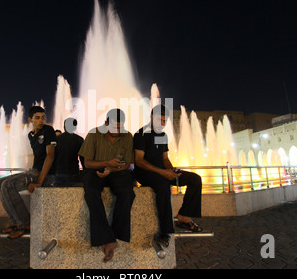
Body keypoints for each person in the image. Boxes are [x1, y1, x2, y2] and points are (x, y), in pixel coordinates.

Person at [133, 105, 204, 247]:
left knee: (195, 179)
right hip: (145, 173)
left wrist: (172, 170)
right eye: (160, 119)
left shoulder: (162, 136)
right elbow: (139, 161)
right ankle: (165, 232)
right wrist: (163, 172)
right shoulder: (141, 134)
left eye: (165, 120)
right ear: (152, 117)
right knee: (163, 186)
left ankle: (184, 216)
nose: (162, 123)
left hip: (162, 172)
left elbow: (164, 158)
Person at [78, 109, 135, 262]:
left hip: (117, 171)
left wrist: (112, 169)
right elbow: (88, 163)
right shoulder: (94, 134)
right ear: (106, 123)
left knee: (127, 192)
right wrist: (105, 164)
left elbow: (127, 164)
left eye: (120, 127)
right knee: (90, 192)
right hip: (95, 170)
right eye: (114, 127)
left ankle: (114, 236)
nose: (117, 131)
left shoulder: (127, 136)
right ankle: (107, 238)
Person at [0, 105, 56, 239]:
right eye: (37, 118)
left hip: (44, 173)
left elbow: (50, 155)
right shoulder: (31, 135)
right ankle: (15, 222)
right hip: (34, 171)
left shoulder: (49, 130)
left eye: (43, 118)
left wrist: (39, 181)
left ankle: (26, 224)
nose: (41, 121)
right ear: (30, 119)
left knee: (8, 185)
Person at [54, 118, 84, 187]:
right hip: (74, 173)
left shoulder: (57, 139)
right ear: (75, 127)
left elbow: (52, 157)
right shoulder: (79, 140)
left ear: (64, 127)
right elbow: (83, 158)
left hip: (59, 173)